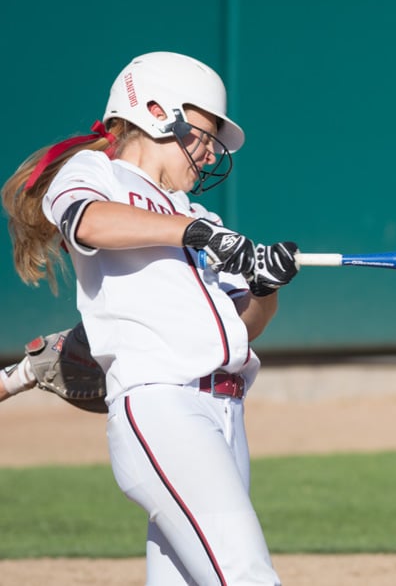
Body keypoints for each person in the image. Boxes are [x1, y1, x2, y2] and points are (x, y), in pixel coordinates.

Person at [1, 51, 298, 585]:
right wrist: (194, 235)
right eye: (206, 133)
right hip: (165, 408)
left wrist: (264, 286)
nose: (211, 152)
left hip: (225, 412)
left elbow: (244, 325)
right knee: (245, 576)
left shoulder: (198, 214)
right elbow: (87, 221)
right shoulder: (97, 173)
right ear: (157, 111)